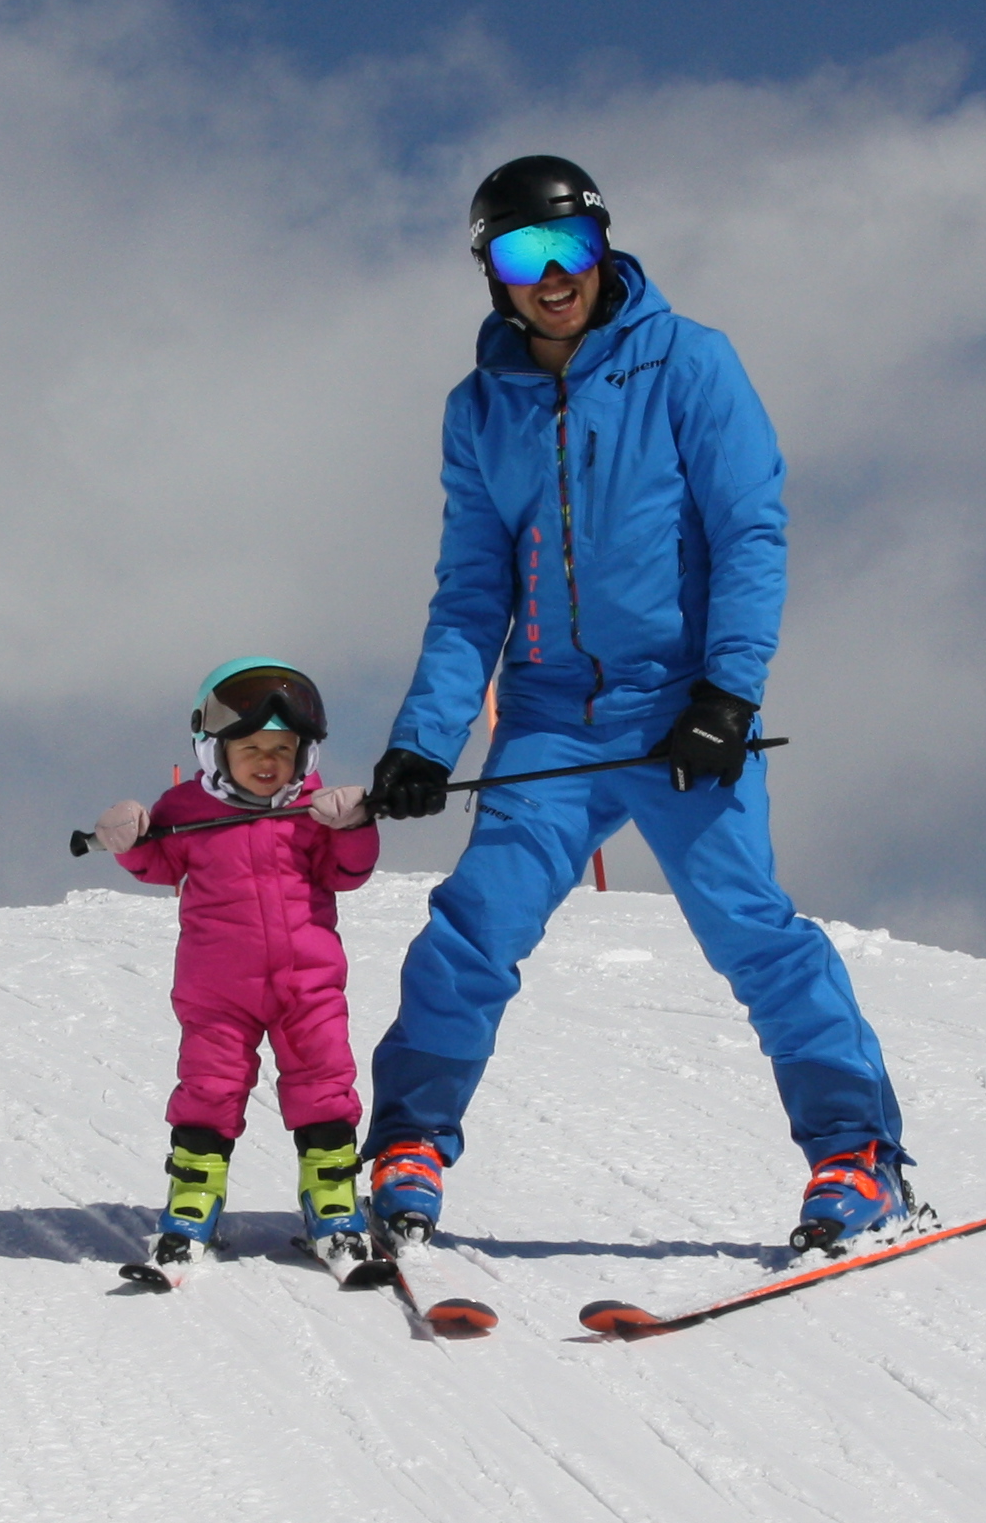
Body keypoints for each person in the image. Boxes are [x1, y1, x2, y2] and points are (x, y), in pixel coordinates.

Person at [358, 156, 911, 1249]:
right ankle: (409, 1144)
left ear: (604, 242)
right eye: (524, 253)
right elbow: (472, 591)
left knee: (752, 931)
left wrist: (727, 693)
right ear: (491, 272)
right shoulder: (480, 411)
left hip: (679, 713)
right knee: (473, 928)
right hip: (550, 719)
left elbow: (749, 532)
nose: (554, 274)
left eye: (571, 244)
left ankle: (857, 1156)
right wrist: (423, 740)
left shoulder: (691, 362)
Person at [88, 662, 379, 1274]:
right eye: (250, 748)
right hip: (217, 990)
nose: (267, 761)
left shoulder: (314, 807)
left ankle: (331, 1202)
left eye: (282, 749)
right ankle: (193, 1201)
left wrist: (355, 825)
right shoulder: (187, 807)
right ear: (215, 749)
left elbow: (346, 873)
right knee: (210, 1088)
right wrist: (131, 838)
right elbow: (158, 864)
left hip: (308, 984)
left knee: (324, 1081)